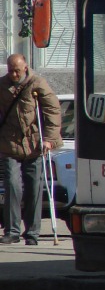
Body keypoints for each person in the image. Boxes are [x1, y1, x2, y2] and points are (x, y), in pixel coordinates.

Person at [0, 54, 63, 246]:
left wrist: (50, 140)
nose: (13, 73)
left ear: (25, 67)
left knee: (34, 187)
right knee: (12, 185)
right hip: (9, 144)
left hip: (35, 145)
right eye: (10, 70)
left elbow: (52, 110)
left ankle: (33, 233)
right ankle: (12, 231)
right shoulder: (2, 85)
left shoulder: (38, 83)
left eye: (17, 70)